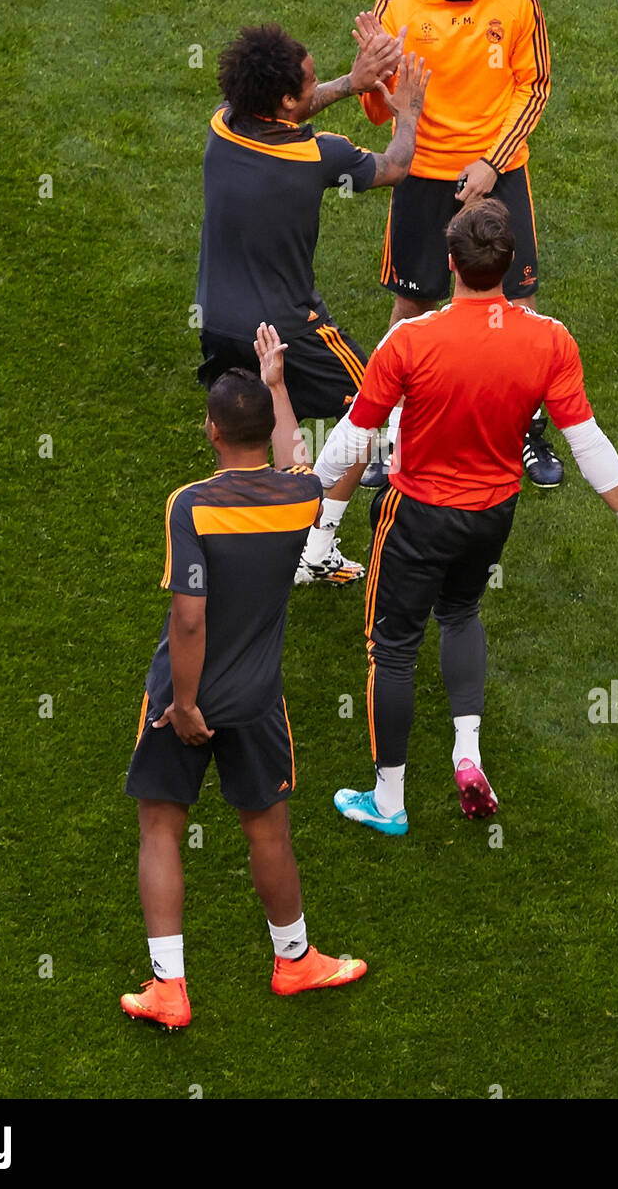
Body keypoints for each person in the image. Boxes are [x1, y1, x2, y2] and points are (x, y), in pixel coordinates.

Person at [306, 199, 618, 836]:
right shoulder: (550, 340)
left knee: (391, 651)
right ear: (509, 265)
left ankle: (389, 800)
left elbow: (354, 439)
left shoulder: (411, 341)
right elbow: (588, 445)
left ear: (451, 265)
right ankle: (466, 751)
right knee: (462, 612)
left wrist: (305, 495)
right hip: (493, 514)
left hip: (415, 514)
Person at [121, 325, 368, 1029]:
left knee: (162, 829)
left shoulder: (190, 504)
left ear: (211, 430)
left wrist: (187, 704)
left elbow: (189, 618)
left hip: (184, 695)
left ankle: (169, 986)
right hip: (258, 697)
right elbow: (298, 460)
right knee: (268, 831)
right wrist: (279, 382)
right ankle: (293, 960)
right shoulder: (299, 499)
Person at [195, 22, 430, 585]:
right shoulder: (315, 155)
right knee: (377, 405)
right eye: (309, 80)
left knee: (258, 423)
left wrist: (353, 82)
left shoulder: (222, 125)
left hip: (218, 320)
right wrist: (410, 111)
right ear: (283, 99)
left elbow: (290, 111)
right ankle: (313, 541)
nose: (315, 83)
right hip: (290, 328)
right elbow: (396, 166)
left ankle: (250, 534)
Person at [357, 0, 562, 489]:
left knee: (517, 308)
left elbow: (536, 84)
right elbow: (378, 111)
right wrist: (369, 75)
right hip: (421, 176)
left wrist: (492, 163)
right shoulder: (396, 3)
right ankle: (388, 434)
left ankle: (526, 433)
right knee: (411, 308)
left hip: (499, 174)